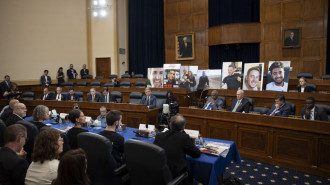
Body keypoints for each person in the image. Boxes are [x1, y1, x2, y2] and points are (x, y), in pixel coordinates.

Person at [154, 115, 201, 183]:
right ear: (184, 127)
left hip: (158, 175)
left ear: (170, 125)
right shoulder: (184, 137)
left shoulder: (159, 136)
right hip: (175, 175)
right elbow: (196, 154)